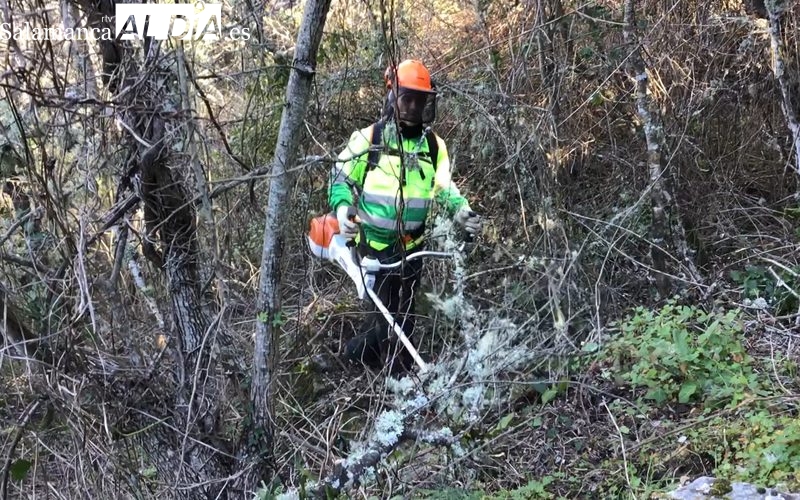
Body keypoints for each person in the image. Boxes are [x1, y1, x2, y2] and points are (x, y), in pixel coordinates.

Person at [328, 59, 481, 374]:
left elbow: (444, 188)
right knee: (384, 324)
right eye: (406, 97)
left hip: (414, 247)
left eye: (419, 99)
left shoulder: (434, 147)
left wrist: (462, 211)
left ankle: (403, 374)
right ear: (391, 95)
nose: (412, 106)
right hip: (374, 251)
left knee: (406, 318)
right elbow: (339, 179)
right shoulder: (369, 139)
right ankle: (353, 363)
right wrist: (344, 210)